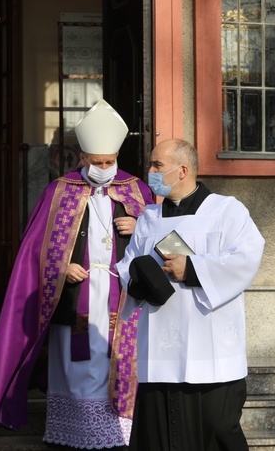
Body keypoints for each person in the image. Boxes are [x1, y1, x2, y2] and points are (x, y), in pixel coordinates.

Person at [0, 100, 154, 450]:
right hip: (76, 299)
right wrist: (59, 269)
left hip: (123, 298)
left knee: (117, 365)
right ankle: (75, 438)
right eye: (97, 162)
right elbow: (33, 252)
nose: (104, 168)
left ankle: (118, 437)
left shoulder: (137, 191)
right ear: (83, 157)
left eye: (110, 162)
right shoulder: (60, 191)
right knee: (79, 366)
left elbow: (161, 244)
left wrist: (140, 226)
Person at [114, 138, 265, 450]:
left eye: (157, 165)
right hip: (160, 350)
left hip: (209, 350)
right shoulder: (148, 218)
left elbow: (247, 258)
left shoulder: (227, 211)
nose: (150, 171)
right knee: (160, 437)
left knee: (217, 431)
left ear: (182, 170)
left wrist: (191, 269)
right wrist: (143, 280)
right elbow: (127, 267)